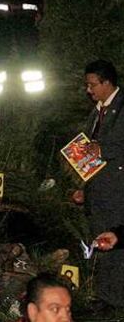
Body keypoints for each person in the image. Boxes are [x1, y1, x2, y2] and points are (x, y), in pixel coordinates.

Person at [82, 59, 124, 309]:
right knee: (100, 240)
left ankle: (114, 298)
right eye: (87, 85)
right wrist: (83, 186)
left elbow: (116, 146)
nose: (89, 90)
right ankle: (103, 295)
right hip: (97, 189)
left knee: (116, 242)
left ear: (107, 82)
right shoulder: (97, 110)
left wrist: (101, 149)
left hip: (117, 190)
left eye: (93, 84)